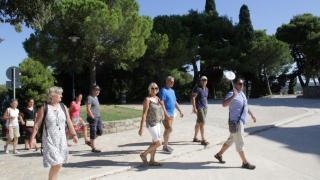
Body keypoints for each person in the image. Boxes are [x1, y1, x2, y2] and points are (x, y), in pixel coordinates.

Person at [30, 86, 78, 180]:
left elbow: (68, 121)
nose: (61, 95)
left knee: (58, 164)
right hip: (49, 139)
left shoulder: (63, 106)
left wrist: (74, 135)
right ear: (53, 95)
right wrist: (32, 139)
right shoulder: (44, 108)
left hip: (61, 139)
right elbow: (37, 125)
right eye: (59, 93)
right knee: (57, 163)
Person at [214, 78, 257, 170]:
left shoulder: (242, 94)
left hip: (240, 122)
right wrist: (233, 96)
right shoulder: (231, 93)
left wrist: (252, 115)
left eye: (243, 84)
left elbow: (245, 106)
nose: (242, 85)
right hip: (236, 123)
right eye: (240, 83)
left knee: (231, 140)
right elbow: (224, 104)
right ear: (235, 84)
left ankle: (219, 154)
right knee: (240, 142)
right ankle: (245, 163)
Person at [139, 82, 165, 166]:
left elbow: (160, 108)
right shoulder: (147, 99)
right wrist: (141, 128)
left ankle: (152, 160)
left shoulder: (157, 98)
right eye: (152, 88)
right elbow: (144, 114)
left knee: (154, 142)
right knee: (159, 143)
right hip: (151, 124)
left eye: (156, 88)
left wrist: (163, 115)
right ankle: (144, 154)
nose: (154, 90)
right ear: (149, 89)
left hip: (158, 123)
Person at [159, 76, 184, 154]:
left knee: (168, 130)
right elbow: (162, 102)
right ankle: (164, 145)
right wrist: (165, 113)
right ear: (167, 81)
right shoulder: (163, 90)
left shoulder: (172, 91)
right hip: (165, 114)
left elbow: (175, 102)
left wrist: (180, 111)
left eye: (173, 81)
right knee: (169, 129)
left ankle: (165, 145)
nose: (173, 83)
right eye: (171, 81)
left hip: (171, 114)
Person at [192, 76, 209, 146]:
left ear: (207, 81)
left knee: (198, 123)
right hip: (199, 108)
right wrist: (194, 108)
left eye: (205, 80)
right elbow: (193, 98)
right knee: (202, 122)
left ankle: (195, 138)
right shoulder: (197, 88)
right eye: (203, 80)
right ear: (200, 81)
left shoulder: (207, 89)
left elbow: (205, 98)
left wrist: (207, 105)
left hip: (205, 108)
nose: (204, 81)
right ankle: (203, 139)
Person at [86, 85, 102, 153]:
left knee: (100, 132)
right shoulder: (89, 97)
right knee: (93, 132)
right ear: (92, 91)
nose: (98, 91)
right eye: (96, 90)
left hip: (98, 117)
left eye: (98, 90)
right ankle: (93, 148)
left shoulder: (96, 98)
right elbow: (88, 109)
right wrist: (92, 116)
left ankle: (90, 142)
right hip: (92, 117)